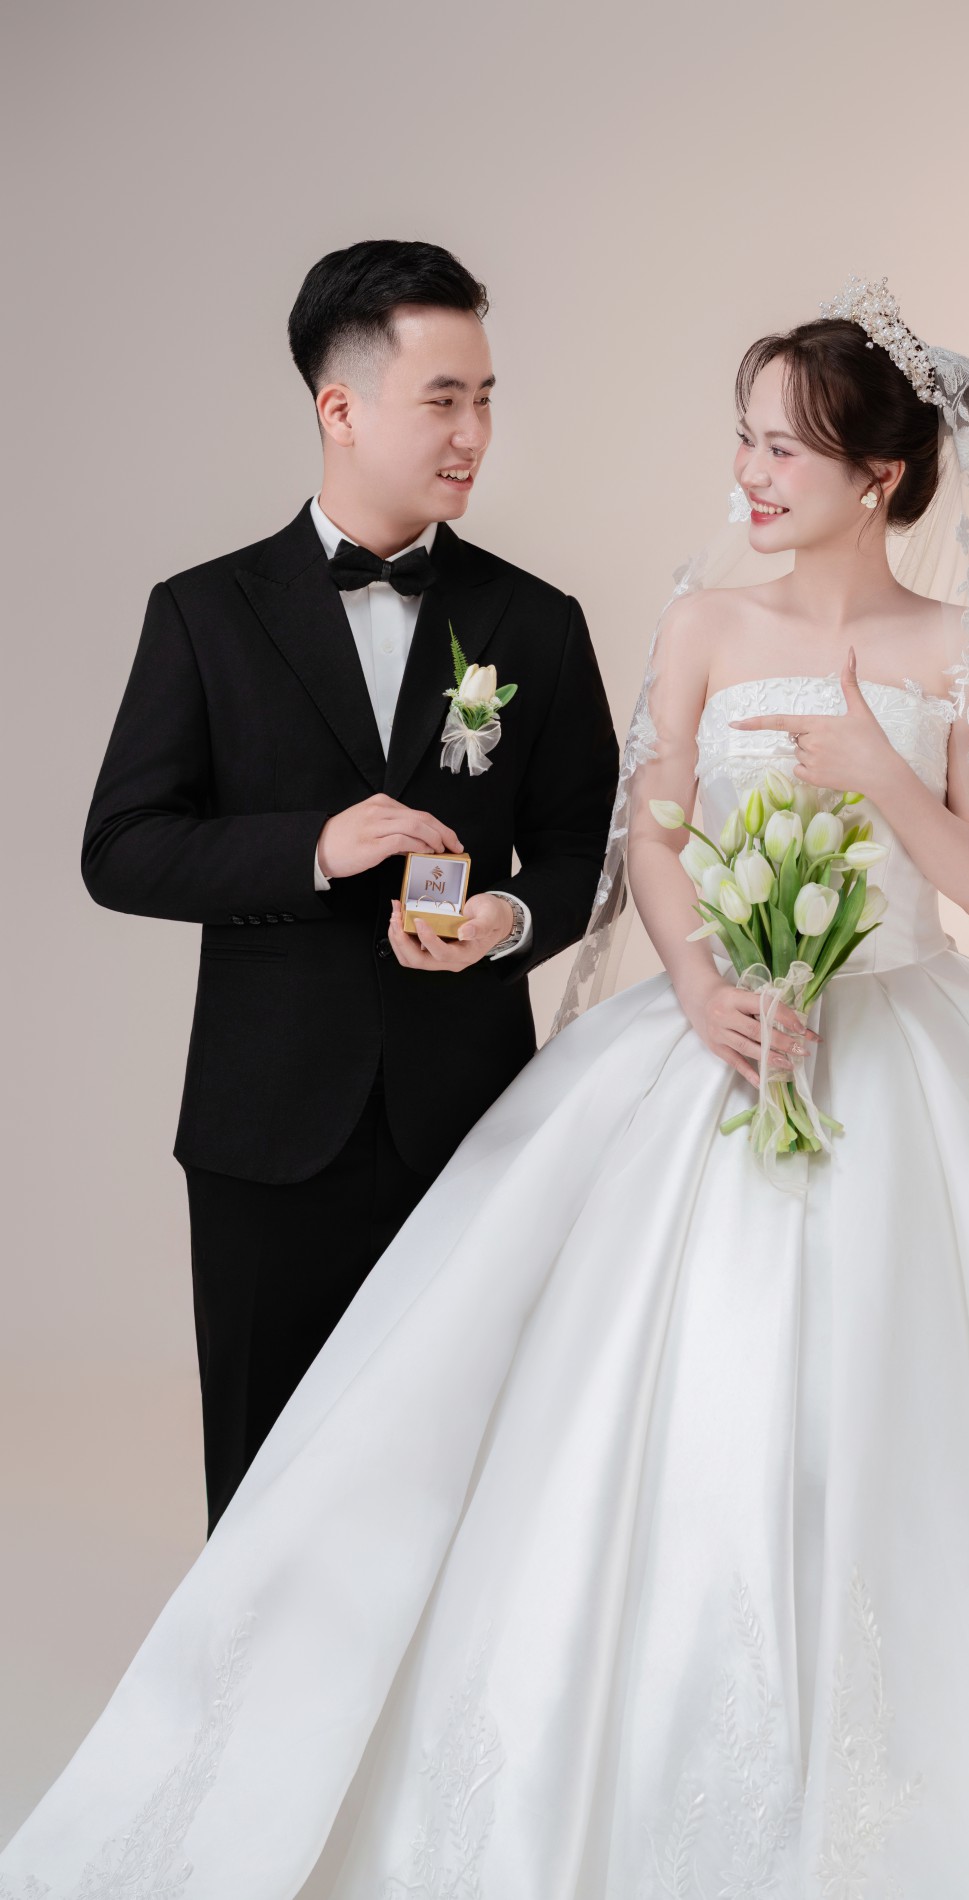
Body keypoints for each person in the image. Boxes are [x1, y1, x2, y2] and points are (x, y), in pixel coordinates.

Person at [5, 277, 969, 1896]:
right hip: (638, 1048)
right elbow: (648, 841)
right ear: (342, 404)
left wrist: (870, 775)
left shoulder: (897, 645)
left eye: (782, 448)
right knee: (443, 1434)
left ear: (878, 475)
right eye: (745, 439)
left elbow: (943, 874)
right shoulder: (681, 624)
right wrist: (698, 982)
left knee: (919, 1403)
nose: (749, 473)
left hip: (897, 1048)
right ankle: (265, 1733)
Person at [78, 239, 619, 1533]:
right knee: (264, 1482)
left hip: (472, 1121)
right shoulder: (204, 613)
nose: (474, 433)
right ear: (342, 408)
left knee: (465, 1480)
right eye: (444, 399)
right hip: (265, 1128)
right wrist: (316, 848)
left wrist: (508, 920)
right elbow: (123, 847)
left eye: (485, 398)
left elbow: (588, 852)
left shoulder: (536, 622)